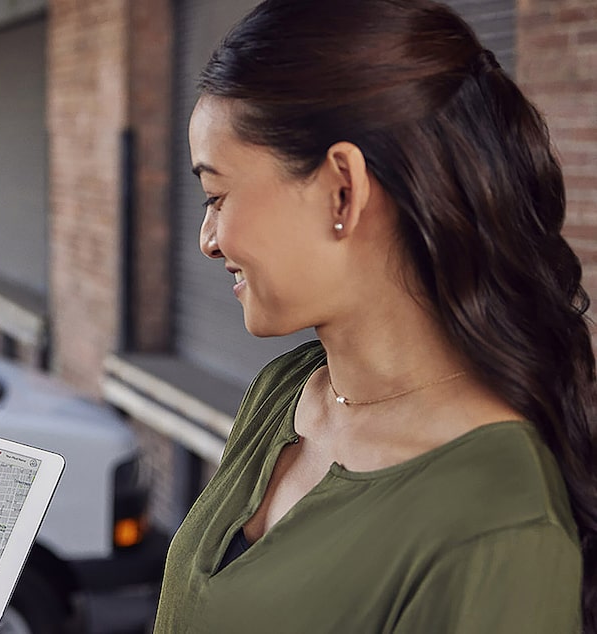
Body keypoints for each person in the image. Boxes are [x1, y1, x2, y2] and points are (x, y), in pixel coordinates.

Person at [155, 0, 595, 631]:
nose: (209, 239)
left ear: (343, 188)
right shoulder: (285, 391)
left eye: (217, 196)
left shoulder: (496, 523)